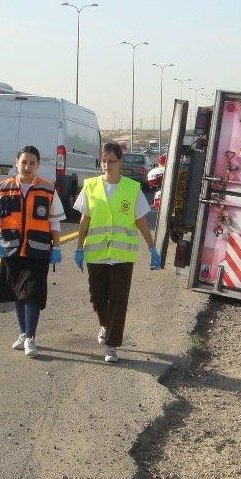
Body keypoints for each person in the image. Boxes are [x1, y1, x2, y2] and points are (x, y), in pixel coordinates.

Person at [73, 141, 163, 363]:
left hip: (122, 256)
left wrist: (152, 248)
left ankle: (112, 345)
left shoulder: (132, 189)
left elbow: (141, 221)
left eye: (111, 161)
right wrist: (78, 248)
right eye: (103, 161)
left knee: (118, 300)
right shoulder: (90, 186)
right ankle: (105, 325)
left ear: (120, 162)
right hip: (96, 253)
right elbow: (84, 219)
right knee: (97, 298)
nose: (106, 165)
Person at [0, 145, 65, 358]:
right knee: (18, 294)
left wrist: (56, 247)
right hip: (11, 250)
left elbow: (54, 222)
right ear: (16, 163)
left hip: (37, 251)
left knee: (31, 294)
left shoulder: (48, 189)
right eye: (24, 162)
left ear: (38, 165)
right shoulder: (3, 188)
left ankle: (30, 337)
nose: (27, 167)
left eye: (32, 163)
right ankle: (22, 333)